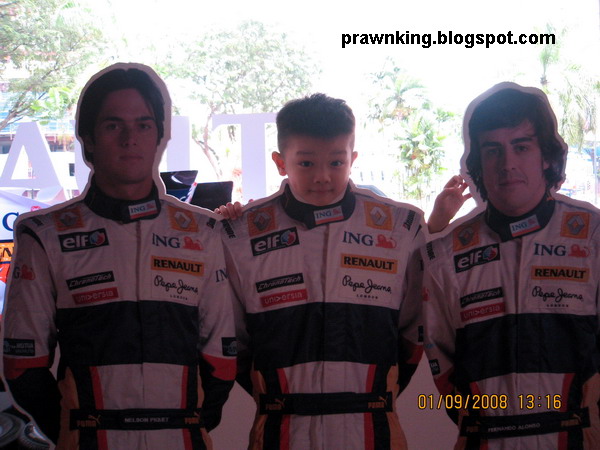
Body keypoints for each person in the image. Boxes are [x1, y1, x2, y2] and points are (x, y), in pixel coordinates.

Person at [2, 63, 237, 449]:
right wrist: (73, 431)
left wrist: (185, 423)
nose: (130, 139)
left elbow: (222, 358)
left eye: (143, 125)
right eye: (114, 125)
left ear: (159, 136)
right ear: (88, 139)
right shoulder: (44, 235)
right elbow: (23, 365)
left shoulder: (203, 231)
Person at [219, 93, 425, 449]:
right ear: (281, 162)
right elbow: (232, 340)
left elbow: (413, 334)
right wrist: (281, 398)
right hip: (280, 429)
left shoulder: (401, 227)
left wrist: (368, 397)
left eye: (336, 162)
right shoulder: (241, 233)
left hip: (373, 428)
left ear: (352, 159)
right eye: (306, 163)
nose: (323, 176)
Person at [422, 82, 600, 448]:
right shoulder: (446, 255)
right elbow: (441, 359)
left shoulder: (592, 236)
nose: (507, 165)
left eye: (521, 147)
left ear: (546, 156)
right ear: (478, 164)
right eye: (493, 151)